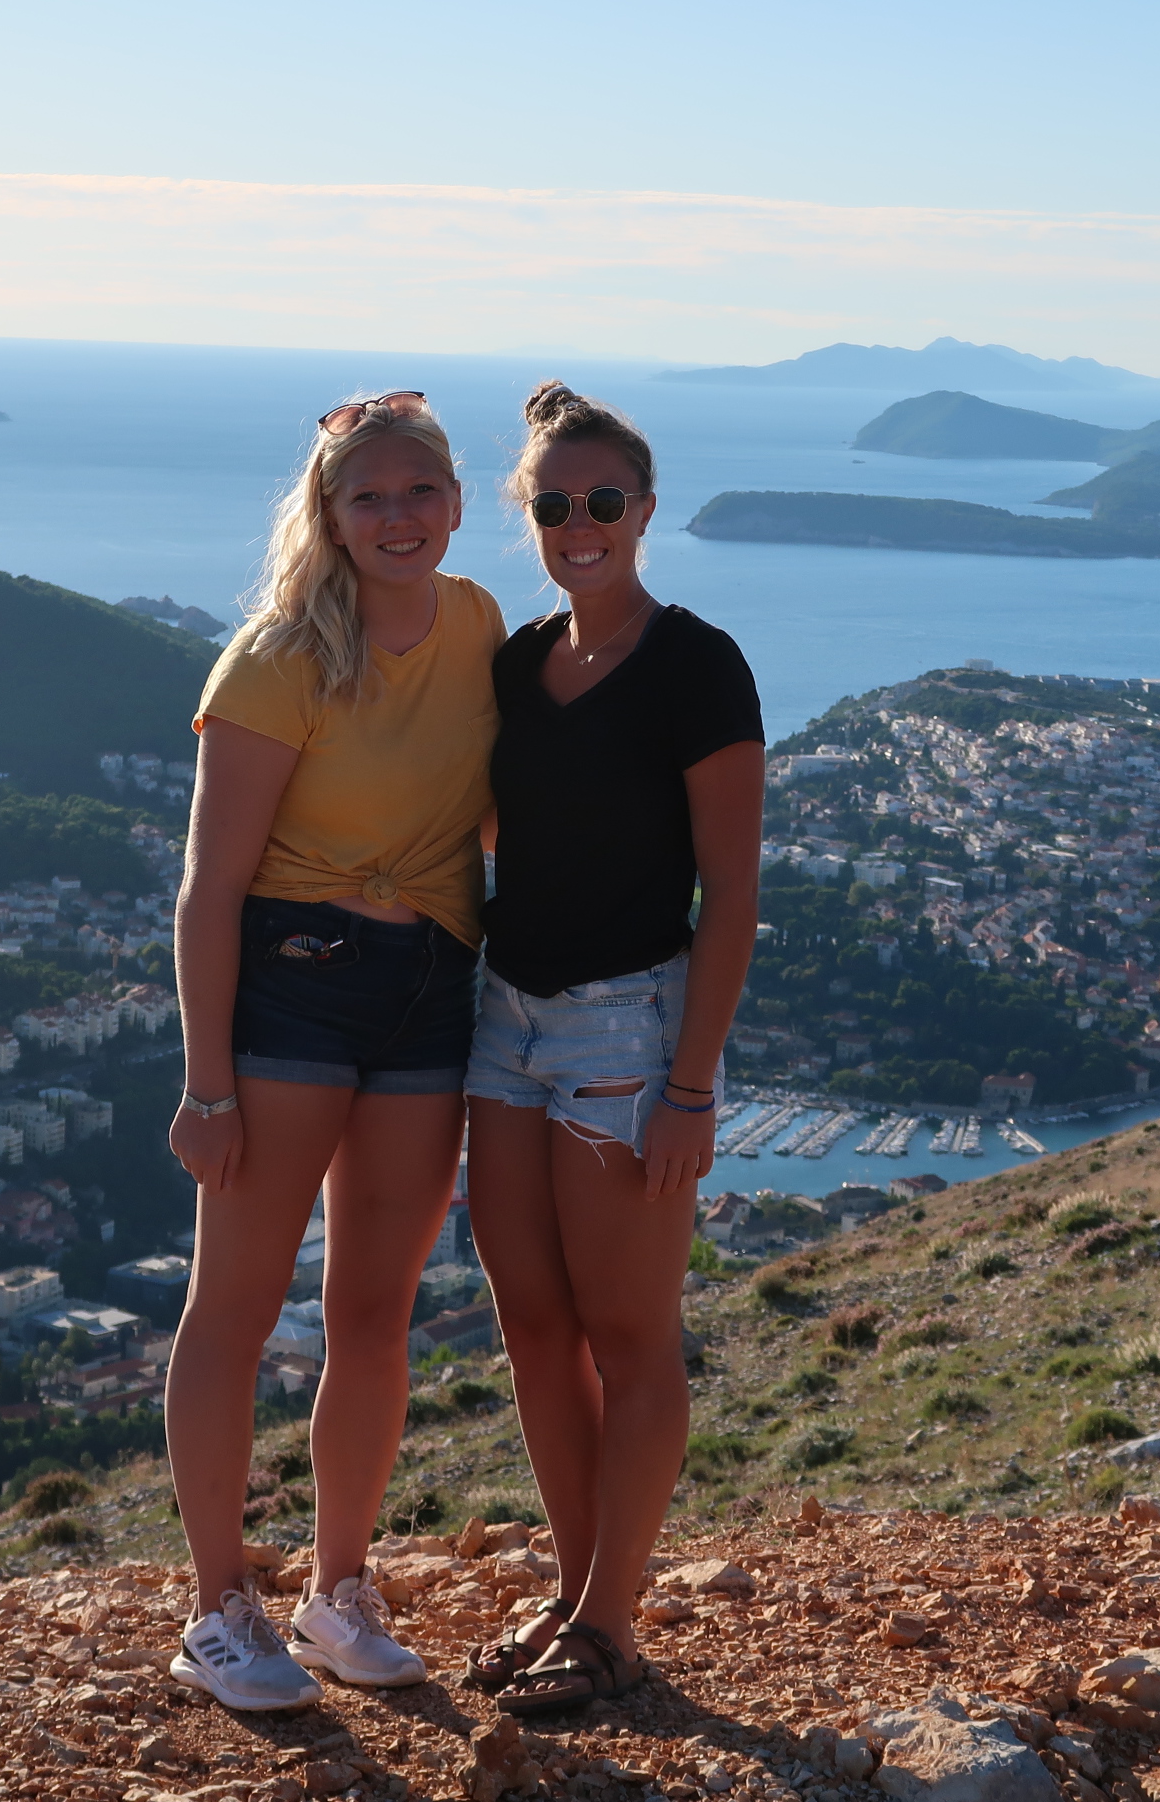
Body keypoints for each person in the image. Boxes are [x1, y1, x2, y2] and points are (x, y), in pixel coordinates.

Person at [162, 391, 508, 1710]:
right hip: (296, 986)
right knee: (238, 1308)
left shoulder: (479, 625)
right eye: (370, 496)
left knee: (374, 1311)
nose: (398, 515)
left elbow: (489, 813)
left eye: (420, 490)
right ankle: (216, 1612)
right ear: (331, 515)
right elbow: (209, 888)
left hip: (432, 985)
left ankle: (337, 1592)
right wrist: (206, 1084)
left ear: (456, 503)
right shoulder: (276, 660)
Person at [462, 382, 764, 1713]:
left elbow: (731, 896)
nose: (576, 524)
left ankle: (609, 1626)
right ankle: (577, 1595)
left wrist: (691, 1086)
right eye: (552, 505)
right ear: (527, 514)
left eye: (601, 501)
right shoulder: (517, 664)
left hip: (625, 1030)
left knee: (629, 1334)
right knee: (533, 1326)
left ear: (644, 510)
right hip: (504, 1018)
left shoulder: (698, 665)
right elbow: (502, 832)